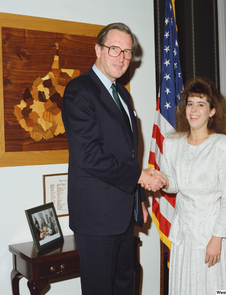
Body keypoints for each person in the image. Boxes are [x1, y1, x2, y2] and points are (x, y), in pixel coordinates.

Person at [61, 23, 166, 295]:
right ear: (98, 50)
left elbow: (129, 154)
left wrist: (139, 200)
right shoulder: (79, 90)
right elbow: (90, 156)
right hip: (96, 218)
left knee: (125, 288)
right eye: (114, 49)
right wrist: (141, 179)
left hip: (123, 215)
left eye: (128, 52)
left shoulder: (122, 93)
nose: (121, 57)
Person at [154, 76, 226, 294]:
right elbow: (174, 184)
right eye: (190, 103)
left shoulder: (223, 145)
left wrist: (217, 238)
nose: (194, 109)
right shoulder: (172, 143)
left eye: (201, 104)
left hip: (211, 235)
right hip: (184, 235)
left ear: (212, 111)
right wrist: (162, 180)